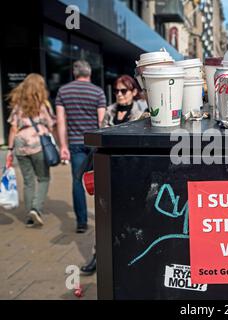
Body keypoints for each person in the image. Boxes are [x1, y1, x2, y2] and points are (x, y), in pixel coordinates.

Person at [80, 75, 145, 276]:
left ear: (134, 92)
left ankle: (130, 255)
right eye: (116, 91)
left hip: (132, 172)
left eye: (123, 91)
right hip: (108, 171)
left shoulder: (142, 112)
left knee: (131, 216)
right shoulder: (109, 111)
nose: (119, 95)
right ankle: (98, 257)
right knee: (104, 216)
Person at [56, 60, 106, 233]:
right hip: (94, 143)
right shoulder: (98, 92)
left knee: (78, 181)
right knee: (100, 180)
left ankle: (82, 222)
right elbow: (102, 121)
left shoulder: (64, 91)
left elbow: (61, 121)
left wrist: (63, 146)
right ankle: (104, 218)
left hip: (75, 143)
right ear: (89, 73)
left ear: (74, 73)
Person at [6, 73, 55, 227]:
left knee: (28, 181)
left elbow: (13, 129)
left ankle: (29, 216)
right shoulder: (43, 105)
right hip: (37, 144)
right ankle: (36, 208)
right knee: (43, 178)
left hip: (20, 145)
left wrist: (10, 150)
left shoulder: (18, 106)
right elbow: (51, 124)